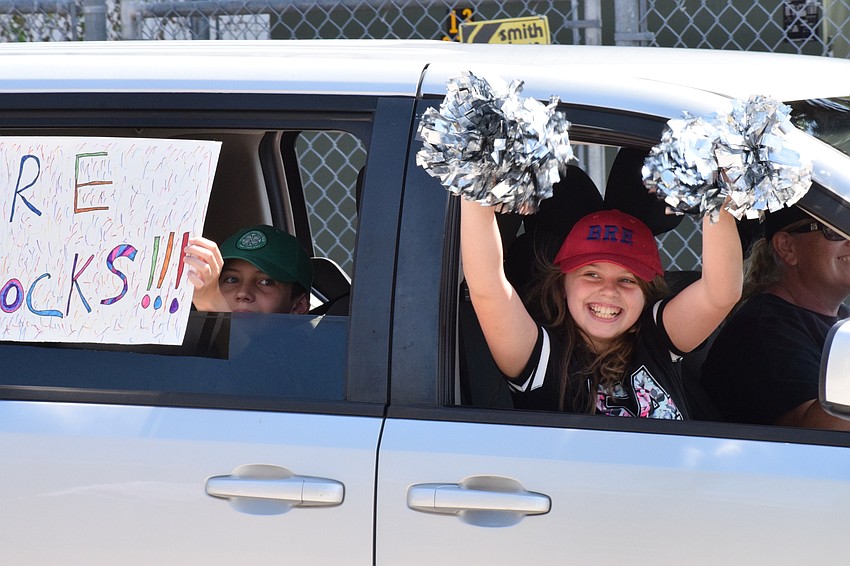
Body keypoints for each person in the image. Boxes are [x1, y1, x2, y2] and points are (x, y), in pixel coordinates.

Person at [462, 198, 742, 418]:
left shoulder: (655, 338)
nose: (609, 290)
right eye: (591, 275)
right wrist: (474, 184)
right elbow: (488, 290)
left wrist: (717, 199)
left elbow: (721, 294)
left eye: (627, 279)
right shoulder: (540, 358)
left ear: (647, 295)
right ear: (562, 285)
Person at [701, 206, 850, 430]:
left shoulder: (839, 319)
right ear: (787, 247)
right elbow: (819, 431)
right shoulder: (762, 330)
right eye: (836, 230)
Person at [184, 224, 313, 314]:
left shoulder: (303, 352)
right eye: (231, 279)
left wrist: (210, 302)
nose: (243, 293)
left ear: (298, 306)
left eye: (266, 282)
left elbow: (242, 351)